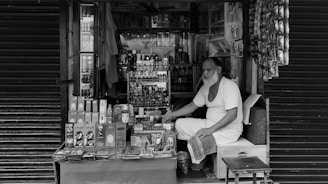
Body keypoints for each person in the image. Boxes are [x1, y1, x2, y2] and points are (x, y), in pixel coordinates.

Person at [162, 57, 243, 170]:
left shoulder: (229, 86)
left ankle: (199, 159)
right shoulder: (206, 87)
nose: (205, 73)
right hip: (209, 124)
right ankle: (198, 153)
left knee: (199, 141)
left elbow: (232, 115)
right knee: (179, 124)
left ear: (218, 70)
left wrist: (210, 130)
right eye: (203, 70)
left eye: (208, 70)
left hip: (228, 130)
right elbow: (192, 106)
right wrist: (171, 114)